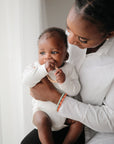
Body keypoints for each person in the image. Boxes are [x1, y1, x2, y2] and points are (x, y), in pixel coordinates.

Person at [21, 0, 114, 144]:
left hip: (92, 129)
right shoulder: (61, 44)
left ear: (109, 34)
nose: (69, 41)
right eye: (68, 29)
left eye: (82, 39)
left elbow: (110, 120)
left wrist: (55, 97)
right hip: (52, 118)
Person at [22, 27, 84, 144]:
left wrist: (64, 82)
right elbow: (26, 81)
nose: (48, 57)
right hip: (43, 112)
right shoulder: (35, 68)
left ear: (66, 55)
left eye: (54, 52)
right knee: (41, 121)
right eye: (42, 53)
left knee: (79, 122)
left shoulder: (69, 69)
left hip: (65, 114)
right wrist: (43, 70)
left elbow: (75, 90)